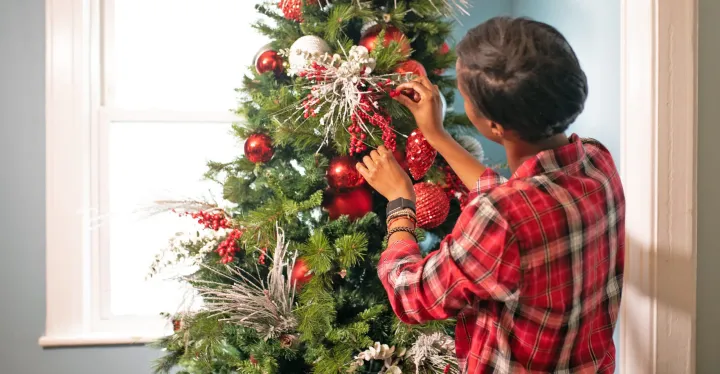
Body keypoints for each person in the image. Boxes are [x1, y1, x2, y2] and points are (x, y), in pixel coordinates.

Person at [356, 17, 625, 374]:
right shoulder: (595, 160)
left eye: (465, 98)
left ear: (494, 127)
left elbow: (411, 295)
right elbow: (522, 203)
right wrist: (437, 136)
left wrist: (399, 202)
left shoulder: (502, 217)